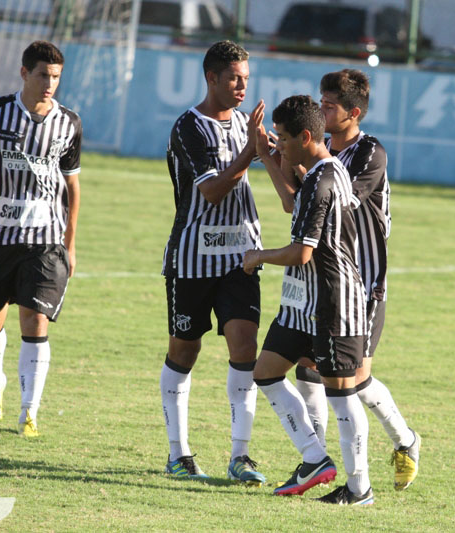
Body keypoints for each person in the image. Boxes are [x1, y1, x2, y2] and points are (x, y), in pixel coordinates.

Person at [0, 41, 82, 438]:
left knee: (36, 318)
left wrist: (70, 245)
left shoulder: (69, 123)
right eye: (43, 75)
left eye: (56, 77)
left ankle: (29, 412)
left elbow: (73, 190)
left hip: (46, 239)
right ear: (24, 73)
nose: (50, 84)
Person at [295, 69, 420, 491]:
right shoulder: (321, 148)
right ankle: (317, 461)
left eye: (329, 105)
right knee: (310, 368)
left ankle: (406, 440)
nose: (321, 110)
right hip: (326, 279)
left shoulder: (370, 154)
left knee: (356, 379)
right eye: (320, 101)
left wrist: (296, 164)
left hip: (365, 283)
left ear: (354, 112)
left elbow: (339, 203)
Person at [245, 95, 373, 505]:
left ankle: (359, 488)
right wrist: (268, 156)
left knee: (342, 396)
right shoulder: (317, 171)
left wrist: (259, 256)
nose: (278, 143)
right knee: (265, 372)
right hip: (302, 306)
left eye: (283, 138)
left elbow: (302, 251)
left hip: (334, 306)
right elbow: (291, 202)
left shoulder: (324, 180)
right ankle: (315, 458)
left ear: (305, 136)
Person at [160, 40, 266, 483]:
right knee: (185, 349)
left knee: (244, 348)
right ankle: (178, 454)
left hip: (240, 256)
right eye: (234, 78)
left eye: (246, 77)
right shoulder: (189, 127)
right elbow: (212, 190)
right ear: (212, 78)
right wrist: (251, 151)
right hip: (192, 259)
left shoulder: (247, 124)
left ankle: (240, 456)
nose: (242, 85)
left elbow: (280, 160)